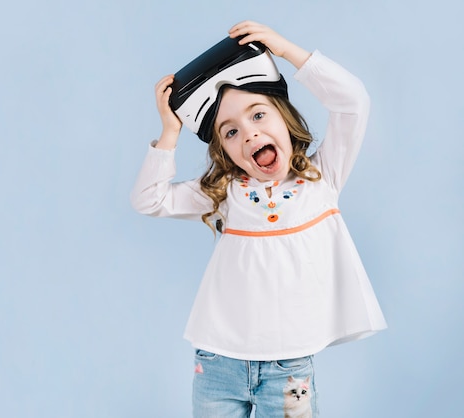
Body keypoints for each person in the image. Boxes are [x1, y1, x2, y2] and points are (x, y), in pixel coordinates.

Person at [130, 20, 387, 417]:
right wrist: (169, 133)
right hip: (218, 362)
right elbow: (150, 200)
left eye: (258, 115)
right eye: (230, 132)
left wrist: (287, 51)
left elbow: (353, 102)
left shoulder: (323, 178)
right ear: (225, 151)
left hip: (288, 370)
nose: (248, 134)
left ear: (284, 118)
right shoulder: (227, 192)